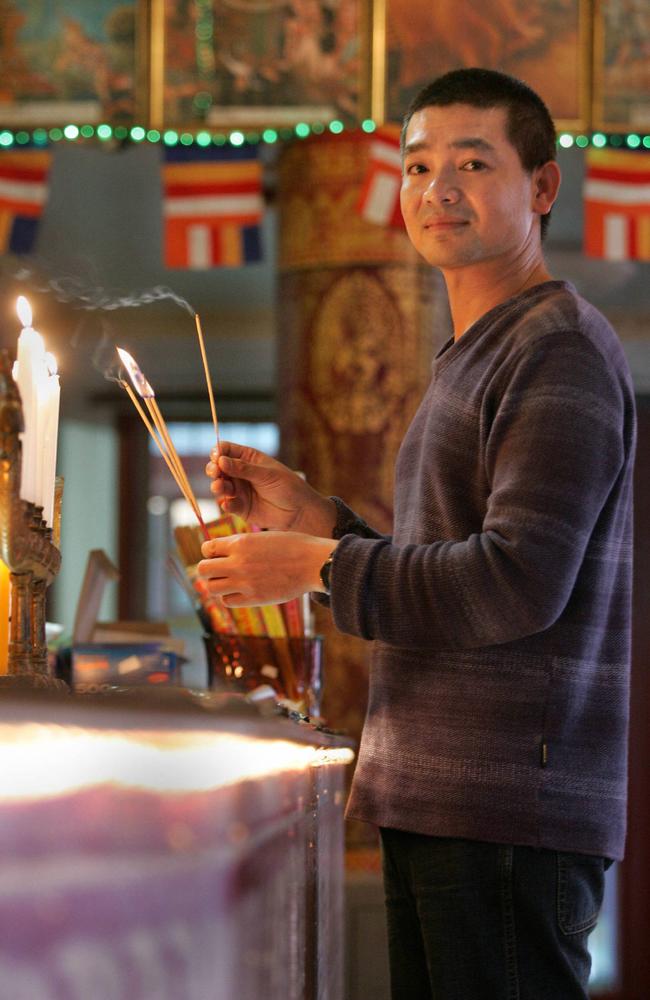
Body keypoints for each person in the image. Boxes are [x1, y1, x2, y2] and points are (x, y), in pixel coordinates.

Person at [198, 68, 636, 999]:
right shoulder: (477, 349)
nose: (438, 188)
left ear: (544, 188)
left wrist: (316, 566)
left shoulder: (556, 344)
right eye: (418, 164)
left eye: (474, 163)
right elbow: (444, 563)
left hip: (507, 803)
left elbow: (515, 583)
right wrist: (315, 513)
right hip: (443, 795)